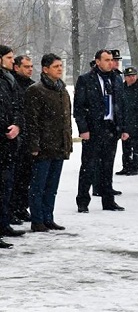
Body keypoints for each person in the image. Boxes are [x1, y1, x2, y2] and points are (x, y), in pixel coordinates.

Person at [74, 49, 127, 213]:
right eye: (106, 60)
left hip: (111, 127)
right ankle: (83, 200)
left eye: (112, 60)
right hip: (93, 128)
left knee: (107, 166)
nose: (111, 63)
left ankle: (108, 200)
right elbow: (79, 107)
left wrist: (123, 128)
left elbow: (121, 106)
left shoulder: (116, 79)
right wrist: (83, 128)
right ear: (97, 62)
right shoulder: (86, 80)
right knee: (88, 166)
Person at [24, 53, 73, 232]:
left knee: (52, 187)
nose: (60, 69)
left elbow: (67, 120)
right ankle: (37, 220)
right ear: (45, 69)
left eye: (61, 66)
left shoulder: (62, 90)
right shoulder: (36, 90)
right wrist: (34, 145)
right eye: (56, 66)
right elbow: (32, 120)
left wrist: (67, 143)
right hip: (43, 147)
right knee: (38, 186)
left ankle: (48, 217)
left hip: (59, 146)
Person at [0, 45, 25, 246]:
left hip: (10, 142)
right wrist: (5, 128)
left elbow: (17, 105)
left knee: (7, 184)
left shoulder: (9, 80)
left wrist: (16, 124)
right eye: (8, 57)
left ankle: (3, 223)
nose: (12, 61)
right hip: (2, 137)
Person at [9, 54, 34, 224]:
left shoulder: (32, 86)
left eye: (31, 66)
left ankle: (21, 207)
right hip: (16, 137)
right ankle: (12, 209)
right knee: (15, 177)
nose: (30, 69)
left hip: (29, 137)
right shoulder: (12, 84)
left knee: (26, 176)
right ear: (16, 67)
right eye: (26, 66)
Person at [116, 66, 138, 177]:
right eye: (128, 76)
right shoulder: (122, 88)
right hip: (125, 119)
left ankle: (134, 167)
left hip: (136, 120)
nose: (131, 78)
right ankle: (126, 166)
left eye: (133, 76)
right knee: (125, 146)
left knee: (135, 146)